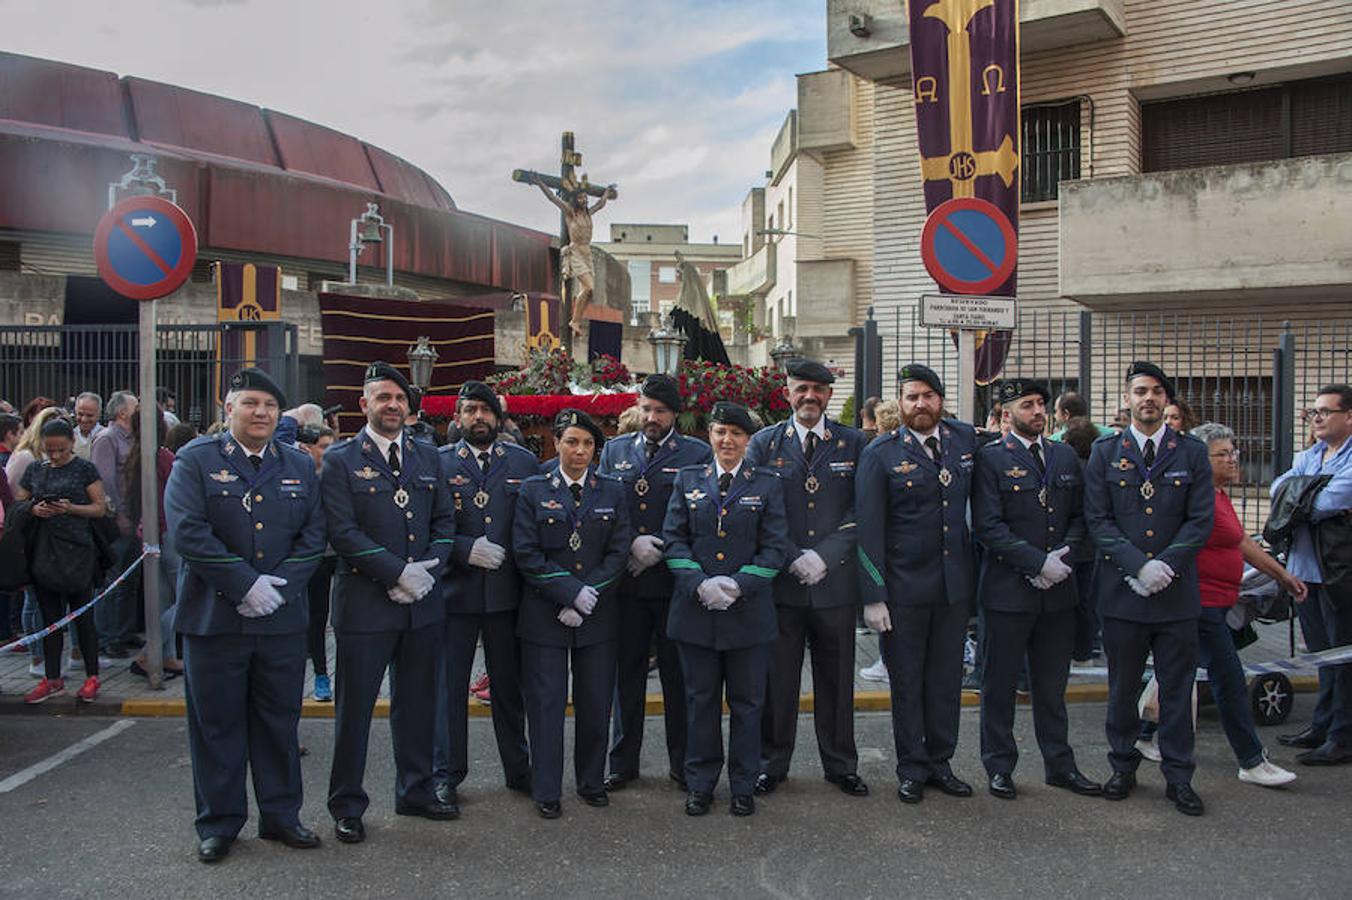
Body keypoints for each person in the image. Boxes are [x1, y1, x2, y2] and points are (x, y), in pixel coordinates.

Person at [165, 367, 327, 863]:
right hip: (214, 620)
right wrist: (244, 583)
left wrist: (277, 589)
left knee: (279, 722)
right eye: (251, 403)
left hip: (278, 620)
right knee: (217, 726)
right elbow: (188, 531)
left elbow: (314, 534)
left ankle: (281, 817)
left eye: (270, 406)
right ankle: (219, 823)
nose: (261, 413)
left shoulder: (298, 465)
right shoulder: (196, 460)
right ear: (228, 408)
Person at [322, 363, 457, 843]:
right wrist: (396, 572)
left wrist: (425, 573)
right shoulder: (340, 460)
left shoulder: (429, 457)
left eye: (399, 398)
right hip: (366, 604)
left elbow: (445, 524)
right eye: (383, 398)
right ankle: (347, 803)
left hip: (421, 602)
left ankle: (416, 791)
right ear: (365, 405)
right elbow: (341, 532)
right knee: (354, 711)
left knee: (418, 705)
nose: (393, 406)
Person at [1085, 361, 1214, 816]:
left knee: (1176, 693)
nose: (1148, 398)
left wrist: (1166, 566)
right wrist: (1139, 567)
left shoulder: (1192, 452)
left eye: (1157, 391)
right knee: (1122, 689)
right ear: (1127, 398)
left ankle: (1179, 777)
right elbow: (1098, 520)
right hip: (1123, 594)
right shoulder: (1105, 451)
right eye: (1140, 390)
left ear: (1167, 401)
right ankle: (1122, 766)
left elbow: (1201, 520)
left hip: (1175, 596)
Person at [972, 379, 1102, 800]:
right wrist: (1035, 562)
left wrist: (1061, 559)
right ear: (1007, 414)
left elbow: (1082, 517)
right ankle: (999, 766)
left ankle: (1060, 766)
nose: (1038, 412)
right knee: (1000, 685)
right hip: (1009, 592)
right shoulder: (990, 459)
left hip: (1057, 592)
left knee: (1051, 688)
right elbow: (987, 526)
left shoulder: (1064, 454)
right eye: (1027, 405)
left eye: (1042, 404)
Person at [747, 359, 868, 799]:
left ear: (830, 395)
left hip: (834, 585)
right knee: (777, 682)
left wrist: (827, 555)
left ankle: (841, 765)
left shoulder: (854, 442)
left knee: (837, 681)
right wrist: (794, 556)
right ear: (787, 392)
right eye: (802, 389)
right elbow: (757, 508)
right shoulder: (764, 443)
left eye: (818, 389)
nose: (810, 397)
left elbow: (863, 510)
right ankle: (770, 764)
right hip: (782, 585)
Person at [858, 364, 978, 805]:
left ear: (940, 400)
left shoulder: (965, 441)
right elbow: (869, 529)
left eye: (928, 396)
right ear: (900, 403)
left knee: (947, 681)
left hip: (952, 588)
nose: (920, 404)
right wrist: (873, 596)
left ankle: (941, 762)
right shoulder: (881, 453)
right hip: (904, 591)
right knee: (907, 683)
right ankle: (911, 767)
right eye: (912, 397)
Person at [663, 401, 787, 817]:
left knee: (748, 705)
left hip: (747, 614)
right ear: (709, 436)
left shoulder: (767, 483)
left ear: (748, 440)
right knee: (700, 703)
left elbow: (774, 549)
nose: (727, 440)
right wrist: (699, 583)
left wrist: (738, 583)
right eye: (719, 432)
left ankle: (743, 785)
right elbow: (674, 540)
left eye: (735, 433)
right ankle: (699, 783)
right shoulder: (687, 480)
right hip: (696, 612)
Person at [514, 409, 630, 818]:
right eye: (572, 442)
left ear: (596, 451)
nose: (580, 451)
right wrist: (568, 594)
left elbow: (619, 551)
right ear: (557, 443)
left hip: (597, 616)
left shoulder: (613, 491)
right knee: (545, 706)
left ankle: (591, 781)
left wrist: (587, 595)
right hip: (544, 615)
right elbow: (526, 553)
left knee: (595, 702)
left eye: (588, 445)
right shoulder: (532, 490)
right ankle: (546, 789)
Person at [600, 374, 711, 793]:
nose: (651, 417)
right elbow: (604, 507)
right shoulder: (614, 450)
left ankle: (682, 762)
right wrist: (631, 542)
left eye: (660, 411)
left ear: (675, 414)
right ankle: (622, 762)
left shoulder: (697, 453)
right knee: (624, 677)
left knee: (677, 680)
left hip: (673, 585)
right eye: (646, 409)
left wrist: (661, 544)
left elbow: (698, 514)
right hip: (626, 585)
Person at [433, 381, 536, 808]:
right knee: (449, 690)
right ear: (457, 417)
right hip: (454, 595)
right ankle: (446, 775)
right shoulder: (437, 463)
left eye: (487, 410)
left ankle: (518, 768)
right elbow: (426, 528)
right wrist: (462, 549)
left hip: (507, 596)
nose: (479, 417)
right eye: (471, 410)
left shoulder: (524, 462)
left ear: (499, 417)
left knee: (509, 688)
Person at [1187, 422, 1302, 785]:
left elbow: (1242, 544)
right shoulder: (1197, 497)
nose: (1234, 458)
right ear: (1201, 461)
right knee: (1229, 678)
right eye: (1223, 454)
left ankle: (1141, 735)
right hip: (1202, 603)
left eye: (1234, 451)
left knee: (1176, 673)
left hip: (1219, 601)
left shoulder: (1219, 495)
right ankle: (1251, 759)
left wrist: (1282, 575)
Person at [1272, 384, 1352, 766]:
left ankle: (1344, 735)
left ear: (1349, 416)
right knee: (1322, 657)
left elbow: (1331, 501)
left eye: (1325, 411)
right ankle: (1321, 725)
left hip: (1339, 574)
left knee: (1344, 657)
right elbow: (1277, 490)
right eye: (1313, 412)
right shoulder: (1312, 455)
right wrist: (1305, 492)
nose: (1316, 418)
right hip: (1303, 570)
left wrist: (1299, 494)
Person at [15, 418, 107, 704]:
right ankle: (52, 677)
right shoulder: (34, 470)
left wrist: (71, 508)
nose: (54, 456)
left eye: (61, 450)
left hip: (78, 551)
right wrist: (34, 508)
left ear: (71, 445)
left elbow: (99, 508)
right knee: (49, 619)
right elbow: (19, 503)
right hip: (45, 553)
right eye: (49, 450)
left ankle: (92, 676)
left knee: (83, 618)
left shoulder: (84, 468)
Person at [124, 409, 184, 681]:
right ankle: (151, 652)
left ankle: (167, 655)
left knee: (161, 600)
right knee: (184, 596)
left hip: (148, 533)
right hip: (168, 532)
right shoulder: (162, 457)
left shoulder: (136, 456)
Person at [530, 173, 615, 336]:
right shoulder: (570, 213)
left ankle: (576, 321)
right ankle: (574, 321)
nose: (584, 200)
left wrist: (606, 193)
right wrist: (541, 183)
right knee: (589, 286)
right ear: (576, 200)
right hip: (575, 252)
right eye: (581, 198)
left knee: (589, 292)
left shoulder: (588, 214)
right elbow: (553, 199)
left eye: (585, 198)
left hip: (587, 253)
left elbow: (601, 204)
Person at [90, 390, 140, 658]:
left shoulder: (132, 439)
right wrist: (118, 514)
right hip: (117, 521)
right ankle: (107, 636)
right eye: (135, 406)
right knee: (113, 580)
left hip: (134, 519)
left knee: (130, 579)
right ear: (122, 412)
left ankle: (124, 632)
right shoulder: (107, 440)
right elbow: (105, 481)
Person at [297, 425, 336, 701]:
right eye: (323, 446)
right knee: (316, 618)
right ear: (305, 448)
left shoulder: (337, 476)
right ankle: (321, 674)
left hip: (340, 555)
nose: (329, 452)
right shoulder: (297, 479)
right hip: (315, 559)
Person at [1062, 416, 1106, 661]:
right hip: (1091, 545)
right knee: (1087, 600)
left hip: (1072, 544)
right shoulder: (1094, 466)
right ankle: (1086, 647)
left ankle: (1076, 646)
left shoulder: (1069, 467)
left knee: (1070, 601)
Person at [1049, 391, 1114, 441]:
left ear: (1066, 414)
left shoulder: (1054, 440)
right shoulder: (1111, 434)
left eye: (1056, 411)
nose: (1055, 416)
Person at [72, 392, 104, 461]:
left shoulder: (106, 437)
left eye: (89, 415)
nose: (84, 419)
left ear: (99, 415)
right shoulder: (69, 436)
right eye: (80, 414)